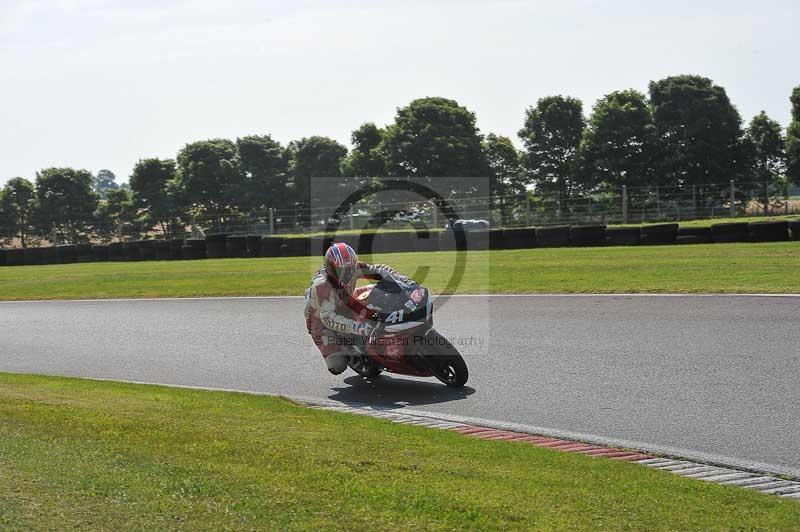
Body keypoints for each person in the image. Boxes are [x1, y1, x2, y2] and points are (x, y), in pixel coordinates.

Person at [304, 242, 412, 375]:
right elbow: (328, 319)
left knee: (378, 298)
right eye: (340, 269)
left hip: (346, 303)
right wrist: (361, 328)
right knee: (337, 366)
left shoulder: (355, 267)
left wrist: (405, 281)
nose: (346, 273)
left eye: (349, 268)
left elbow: (380, 270)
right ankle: (348, 351)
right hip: (320, 322)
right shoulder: (322, 285)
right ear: (330, 267)